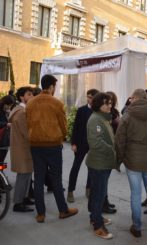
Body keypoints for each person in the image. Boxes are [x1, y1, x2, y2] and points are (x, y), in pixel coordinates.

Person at [115, 89, 147, 238]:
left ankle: (137, 227)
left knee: (136, 194)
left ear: (136, 98)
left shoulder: (128, 115)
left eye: (132, 98)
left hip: (132, 161)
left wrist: (122, 156)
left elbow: (119, 140)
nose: (130, 100)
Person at [26, 74, 78, 223]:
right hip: (53, 146)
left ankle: (40, 214)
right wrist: (60, 137)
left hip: (35, 146)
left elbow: (27, 124)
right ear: (51, 87)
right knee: (56, 180)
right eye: (55, 87)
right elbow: (64, 126)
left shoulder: (30, 103)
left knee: (39, 178)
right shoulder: (57, 103)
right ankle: (63, 210)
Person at [86, 92, 118, 240]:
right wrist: (111, 150)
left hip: (104, 162)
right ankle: (98, 226)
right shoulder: (95, 120)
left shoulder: (103, 118)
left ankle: (95, 217)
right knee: (99, 194)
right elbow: (96, 142)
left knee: (97, 192)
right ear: (99, 105)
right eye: (106, 103)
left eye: (110, 103)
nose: (109, 106)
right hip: (99, 163)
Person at [67, 89, 99, 203]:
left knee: (92, 168)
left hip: (93, 145)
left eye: (91, 97)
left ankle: (88, 189)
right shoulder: (81, 110)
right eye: (88, 97)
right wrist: (73, 143)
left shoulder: (98, 111)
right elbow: (75, 128)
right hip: (80, 144)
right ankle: (70, 191)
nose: (88, 99)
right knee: (76, 167)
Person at [9, 87, 34, 212]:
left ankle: (24, 198)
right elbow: (27, 133)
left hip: (22, 147)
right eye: (29, 94)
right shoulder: (21, 112)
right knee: (23, 175)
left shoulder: (21, 110)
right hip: (23, 148)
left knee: (27, 174)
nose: (31, 97)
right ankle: (18, 203)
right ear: (21, 97)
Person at [0, 95, 15, 162]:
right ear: (4, 103)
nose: (9, 107)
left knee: (3, 159)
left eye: (10, 105)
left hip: (5, 140)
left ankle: (1, 170)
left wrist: (9, 114)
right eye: (8, 105)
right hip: (1, 138)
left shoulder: (6, 111)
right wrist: (6, 124)